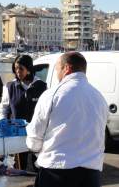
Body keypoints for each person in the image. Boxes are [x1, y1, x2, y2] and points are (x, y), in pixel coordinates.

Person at [26, 52, 108, 187]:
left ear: (67, 68)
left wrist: (35, 150)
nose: (57, 74)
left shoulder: (52, 94)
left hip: (57, 172)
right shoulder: (99, 97)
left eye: (57, 69)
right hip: (91, 174)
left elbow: (35, 134)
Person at [0, 54, 47, 171]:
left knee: (38, 166)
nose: (17, 72)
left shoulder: (41, 86)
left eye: (21, 69)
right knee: (19, 166)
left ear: (29, 69)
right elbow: (4, 107)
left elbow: (46, 110)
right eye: (15, 69)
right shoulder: (10, 86)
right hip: (16, 133)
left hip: (37, 133)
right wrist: (2, 122)